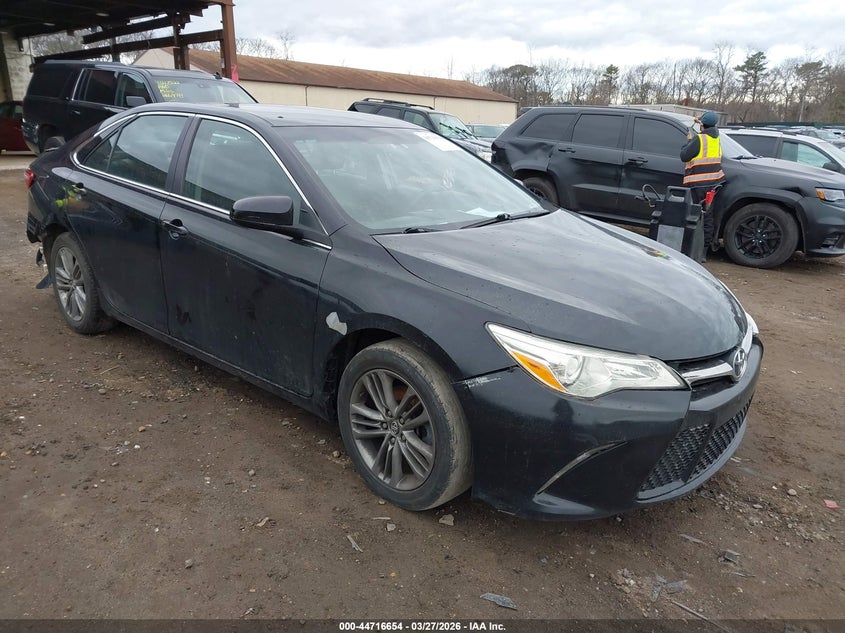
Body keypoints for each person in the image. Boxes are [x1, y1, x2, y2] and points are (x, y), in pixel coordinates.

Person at [680, 110, 725, 253]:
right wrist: (700, 120)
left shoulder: (699, 139)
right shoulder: (715, 138)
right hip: (712, 184)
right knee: (707, 217)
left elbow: (684, 156)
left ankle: (690, 247)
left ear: (702, 125)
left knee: (695, 216)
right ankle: (703, 250)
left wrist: (689, 140)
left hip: (698, 184)